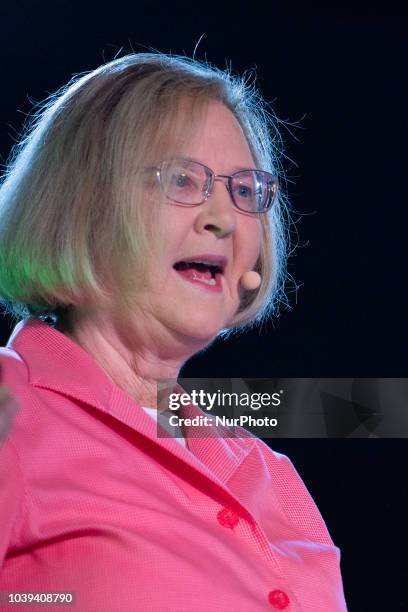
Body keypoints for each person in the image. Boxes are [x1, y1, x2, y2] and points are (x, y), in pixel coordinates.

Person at [0, 52, 347, 610]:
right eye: (183, 180)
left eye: (244, 190)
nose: (225, 218)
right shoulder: (11, 405)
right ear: (87, 207)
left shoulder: (268, 473)